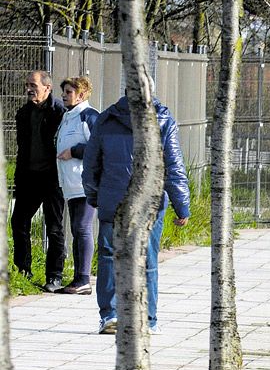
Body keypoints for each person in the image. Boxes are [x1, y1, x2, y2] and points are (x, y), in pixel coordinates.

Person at [83, 95, 190, 335]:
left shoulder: (106, 118)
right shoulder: (163, 120)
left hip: (113, 200)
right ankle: (148, 319)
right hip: (148, 202)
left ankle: (110, 315)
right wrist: (182, 206)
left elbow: (91, 165)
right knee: (148, 260)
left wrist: (94, 197)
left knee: (109, 258)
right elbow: (173, 166)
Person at [13, 70, 67, 290]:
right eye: (28, 85)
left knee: (54, 227)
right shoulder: (24, 113)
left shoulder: (60, 113)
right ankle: (23, 271)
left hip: (52, 178)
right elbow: (22, 148)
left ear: (47, 88)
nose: (29, 89)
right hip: (29, 177)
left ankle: (54, 276)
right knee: (18, 222)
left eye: (33, 85)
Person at [54, 77, 100, 295]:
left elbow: (97, 147)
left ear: (81, 95)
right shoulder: (68, 116)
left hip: (85, 183)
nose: (64, 95)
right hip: (70, 183)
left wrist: (74, 152)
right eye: (63, 91)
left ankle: (83, 279)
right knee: (76, 229)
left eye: (69, 92)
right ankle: (78, 279)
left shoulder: (89, 116)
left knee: (82, 228)